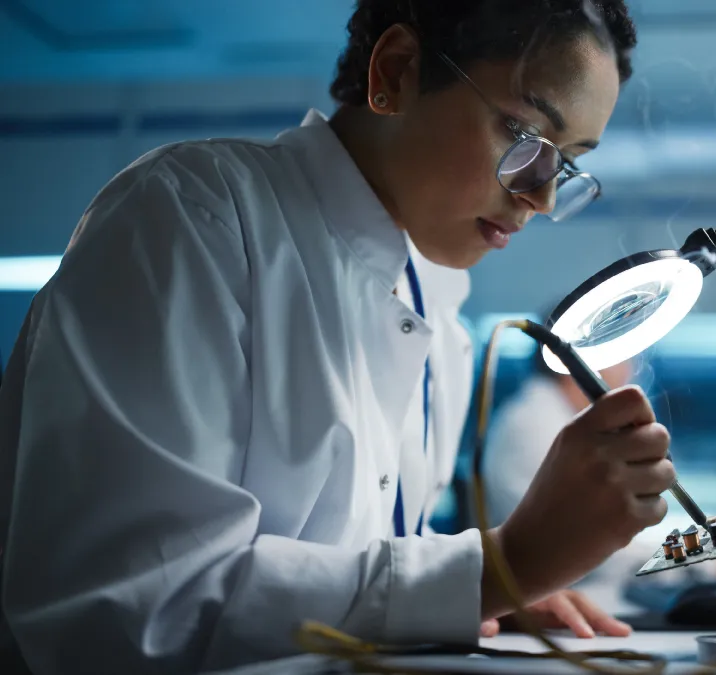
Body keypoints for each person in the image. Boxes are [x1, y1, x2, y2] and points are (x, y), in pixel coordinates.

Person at [0, 2, 672, 672]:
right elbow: (125, 617)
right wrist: (493, 570)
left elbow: (355, 555)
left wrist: (458, 598)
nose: (543, 196)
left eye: (570, 163)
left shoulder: (439, 303)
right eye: (525, 134)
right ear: (398, 70)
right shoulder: (191, 217)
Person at [483, 347, 716, 584]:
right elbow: (589, 547)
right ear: (587, 360)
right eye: (625, 357)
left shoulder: (551, 417)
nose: (632, 370)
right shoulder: (535, 425)